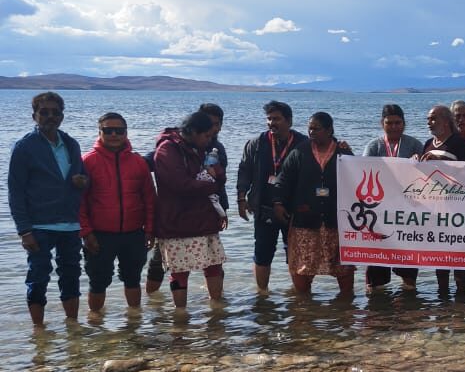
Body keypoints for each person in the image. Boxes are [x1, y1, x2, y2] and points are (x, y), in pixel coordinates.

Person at [8, 92, 89, 326]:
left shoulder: (71, 144)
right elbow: (16, 191)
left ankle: (73, 327)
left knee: (71, 275)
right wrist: (24, 230)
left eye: (55, 112)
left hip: (70, 223)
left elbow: (84, 177)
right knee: (38, 277)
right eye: (44, 112)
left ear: (62, 116)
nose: (50, 117)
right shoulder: (24, 147)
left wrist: (83, 181)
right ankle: (39, 332)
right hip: (38, 225)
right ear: (34, 116)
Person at [271, 112, 355, 297]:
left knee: (344, 267)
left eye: (316, 129)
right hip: (305, 220)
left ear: (329, 130)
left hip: (337, 221)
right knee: (303, 266)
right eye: (309, 128)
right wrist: (278, 202)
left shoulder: (343, 153)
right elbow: (283, 180)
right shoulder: (299, 152)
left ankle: (346, 306)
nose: (311, 132)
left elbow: (357, 180)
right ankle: (304, 306)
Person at [146, 102, 227, 294]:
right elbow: (178, 182)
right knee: (168, 265)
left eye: (217, 124)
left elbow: (219, 178)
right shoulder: (169, 148)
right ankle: (153, 302)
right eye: (210, 126)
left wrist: (222, 210)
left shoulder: (214, 147)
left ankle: (217, 305)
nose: (214, 130)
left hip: (206, 215)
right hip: (175, 219)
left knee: (214, 263)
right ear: (194, 128)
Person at [80, 112, 156, 315]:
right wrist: (86, 232)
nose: (114, 134)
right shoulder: (87, 162)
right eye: (108, 130)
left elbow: (149, 198)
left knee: (133, 278)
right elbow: (79, 202)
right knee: (98, 281)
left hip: (134, 233)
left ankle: (134, 321)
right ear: (99, 132)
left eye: (119, 130)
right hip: (99, 235)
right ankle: (95, 324)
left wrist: (150, 229)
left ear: (126, 133)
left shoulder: (138, 162)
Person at [237, 100, 307, 293]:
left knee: (295, 254)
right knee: (262, 254)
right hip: (263, 208)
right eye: (269, 119)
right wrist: (241, 199)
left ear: (289, 121)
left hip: (293, 210)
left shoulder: (303, 144)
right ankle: (262, 295)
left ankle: (299, 296)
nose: (271, 123)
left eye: (276, 119)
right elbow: (244, 172)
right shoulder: (256, 143)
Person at [363, 104, 424, 293]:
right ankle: (377, 304)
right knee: (376, 270)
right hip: (379, 213)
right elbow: (361, 171)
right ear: (382, 123)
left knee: (408, 268)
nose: (394, 127)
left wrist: (420, 162)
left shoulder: (414, 145)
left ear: (404, 124)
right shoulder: (373, 146)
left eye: (398, 123)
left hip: (406, 213)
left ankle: (408, 300)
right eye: (389, 123)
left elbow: (427, 175)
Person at [419, 105, 465, 295]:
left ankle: (462, 299)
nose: (429, 122)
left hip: (457, 209)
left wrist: (441, 164)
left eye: (433, 118)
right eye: (428, 119)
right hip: (435, 210)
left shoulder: (459, 143)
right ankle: (442, 298)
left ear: (445, 121)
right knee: (439, 257)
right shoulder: (428, 143)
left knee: (458, 258)